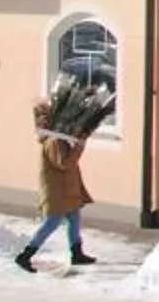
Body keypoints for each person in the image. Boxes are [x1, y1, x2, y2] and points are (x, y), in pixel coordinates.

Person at [13, 101, 98, 272]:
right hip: (57, 192)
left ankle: (76, 253)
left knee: (74, 218)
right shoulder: (53, 142)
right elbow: (64, 163)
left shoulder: (57, 139)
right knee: (51, 222)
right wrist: (79, 148)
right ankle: (26, 254)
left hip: (65, 190)